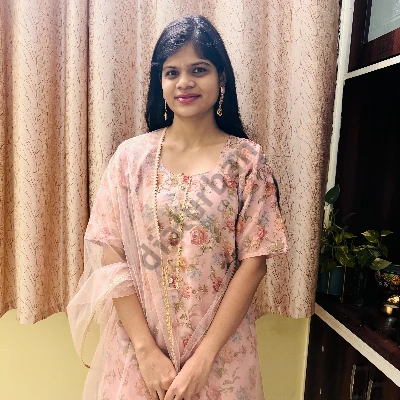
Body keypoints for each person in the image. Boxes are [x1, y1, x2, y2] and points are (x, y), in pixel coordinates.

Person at [67, 15, 287, 400]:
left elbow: (255, 262)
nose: (184, 82)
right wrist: (145, 351)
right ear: (161, 83)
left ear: (221, 77)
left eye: (199, 69)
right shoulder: (130, 158)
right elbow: (110, 254)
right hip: (139, 352)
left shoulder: (247, 161)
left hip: (221, 356)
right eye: (172, 72)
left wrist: (203, 360)